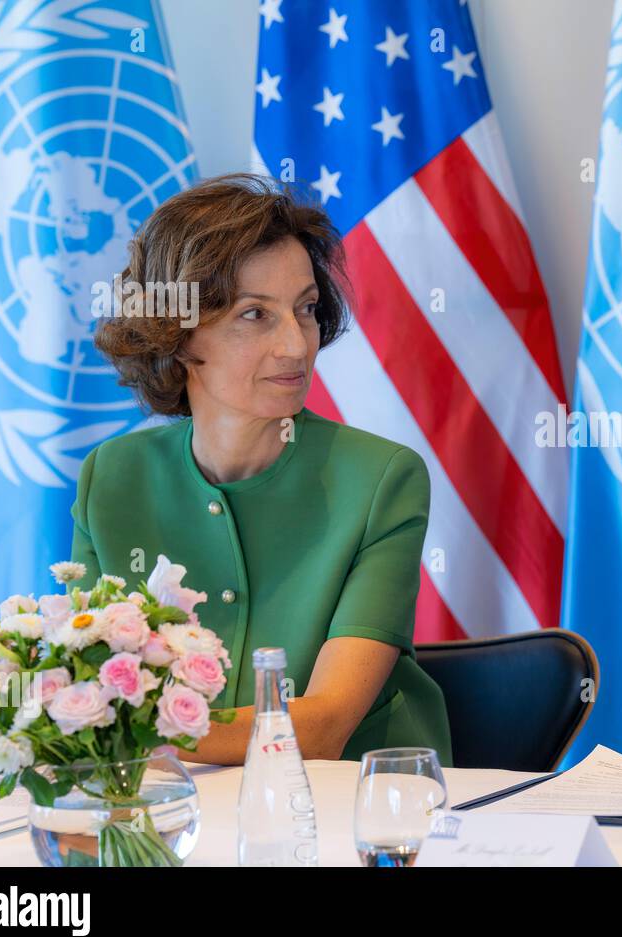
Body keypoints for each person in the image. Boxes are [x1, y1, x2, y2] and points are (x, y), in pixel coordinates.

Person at [72, 173, 451, 765]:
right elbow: (91, 685)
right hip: (176, 813)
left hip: (359, 821)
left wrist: (124, 732)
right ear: (174, 332)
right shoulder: (111, 479)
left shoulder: (383, 480)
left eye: (303, 310)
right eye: (255, 315)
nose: (297, 346)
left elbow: (322, 728)